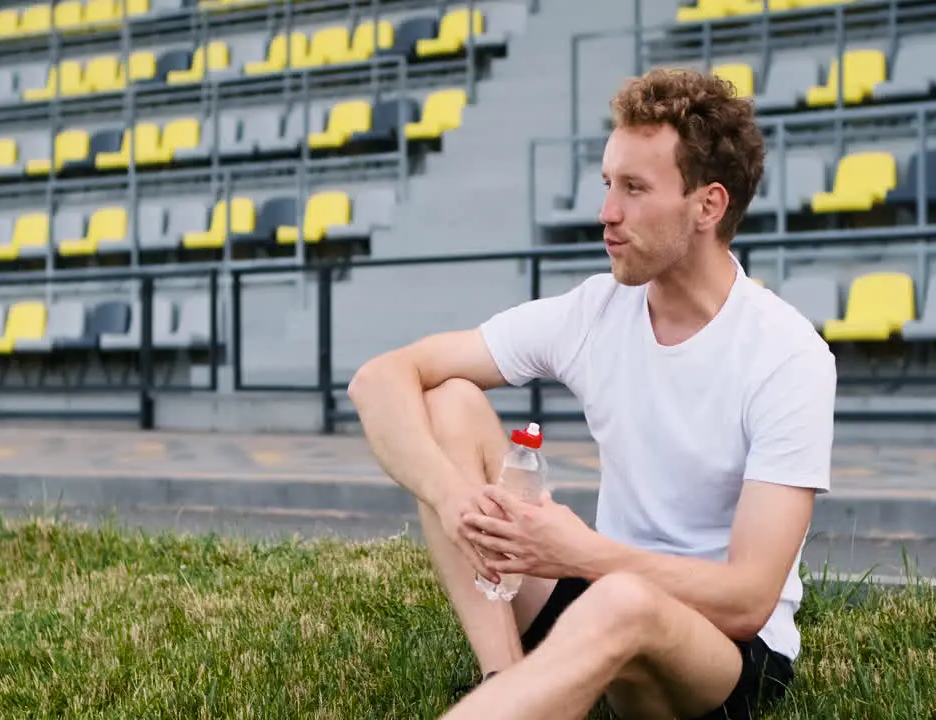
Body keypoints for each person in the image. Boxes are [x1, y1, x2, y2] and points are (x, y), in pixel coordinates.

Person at [346, 67, 837, 720]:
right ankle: (502, 678)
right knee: (449, 404)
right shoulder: (595, 311)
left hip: (720, 652)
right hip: (600, 589)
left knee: (622, 600)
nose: (606, 212)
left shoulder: (786, 354)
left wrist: (580, 552)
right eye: (609, 184)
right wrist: (455, 498)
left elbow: (749, 601)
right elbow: (379, 377)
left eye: (634, 189)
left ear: (708, 206)